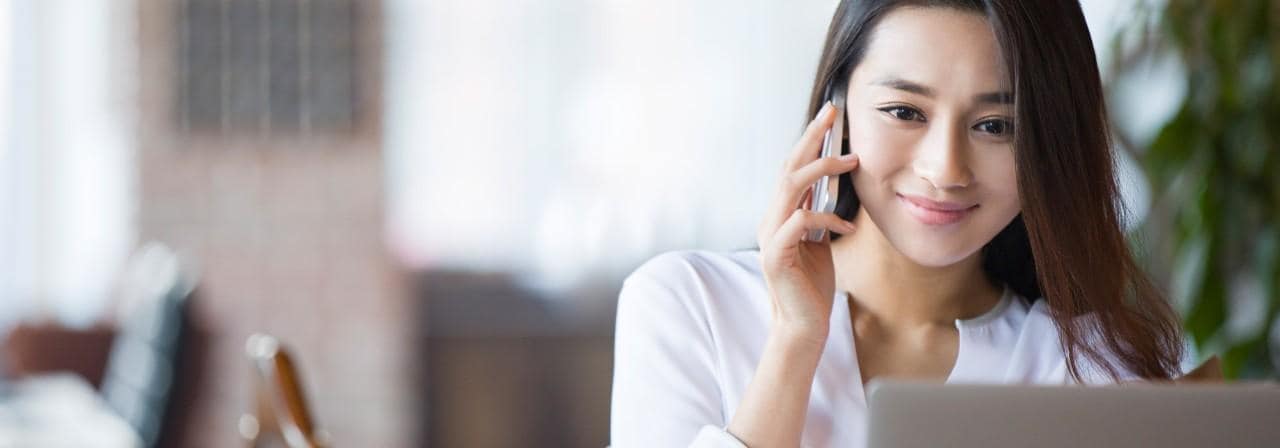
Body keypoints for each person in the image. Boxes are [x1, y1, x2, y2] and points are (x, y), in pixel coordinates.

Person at [608, 1, 1188, 447]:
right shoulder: (688, 305)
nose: (945, 170)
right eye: (905, 112)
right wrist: (793, 341)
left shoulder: (1091, 371)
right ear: (835, 113)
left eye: (996, 125)